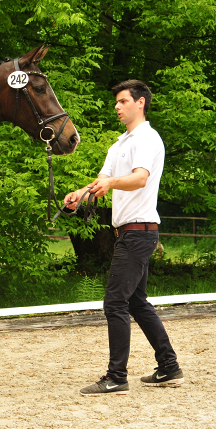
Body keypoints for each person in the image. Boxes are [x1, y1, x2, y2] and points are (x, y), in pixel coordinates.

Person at [64, 79, 183, 396]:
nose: (117, 106)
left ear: (140, 103)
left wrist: (112, 183)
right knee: (135, 301)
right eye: (116, 102)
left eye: (122, 101)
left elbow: (139, 179)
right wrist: (82, 193)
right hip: (133, 232)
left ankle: (116, 376)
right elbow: (104, 178)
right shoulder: (119, 144)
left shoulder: (147, 139)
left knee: (115, 301)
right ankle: (169, 366)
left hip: (138, 231)